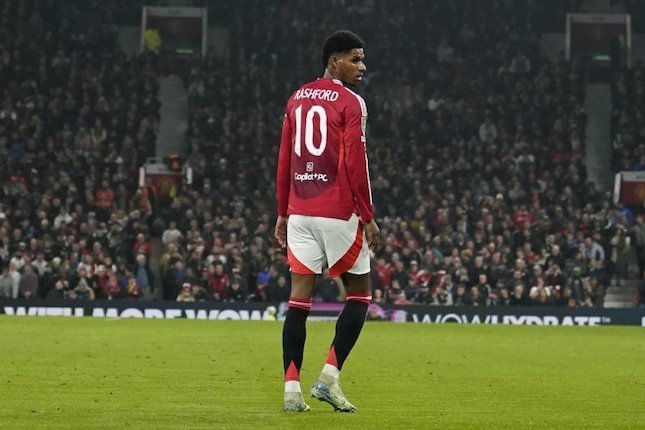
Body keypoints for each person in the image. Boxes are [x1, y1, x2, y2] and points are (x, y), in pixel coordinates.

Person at [274, 30, 380, 413]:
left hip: (300, 211)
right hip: (337, 211)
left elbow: (285, 159)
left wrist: (283, 212)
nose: (362, 66)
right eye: (355, 58)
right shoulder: (352, 102)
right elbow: (356, 161)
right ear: (333, 60)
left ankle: (291, 391)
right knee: (360, 295)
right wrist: (367, 215)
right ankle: (328, 379)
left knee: (298, 301)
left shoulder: (296, 98)